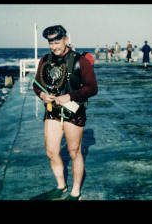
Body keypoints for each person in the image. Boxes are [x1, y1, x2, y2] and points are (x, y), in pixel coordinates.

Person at [32, 25, 98, 200]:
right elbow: (36, 84)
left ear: (66, 39)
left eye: (57, 41)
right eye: (50, 42)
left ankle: (75, 193)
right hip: (52, 112)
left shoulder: (80, 61)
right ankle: (61, 186)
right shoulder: (45, 59)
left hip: (74, 114)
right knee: (51, 152)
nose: (54, 46)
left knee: (74, 152)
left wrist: (70, 96)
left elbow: (92, 88)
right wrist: (42, 95)